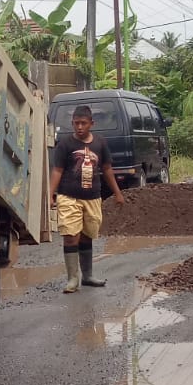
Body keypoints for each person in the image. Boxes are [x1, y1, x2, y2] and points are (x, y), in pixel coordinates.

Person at [51, 105, 127, 293]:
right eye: (76, 123)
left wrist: (118, 193)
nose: (79, 127)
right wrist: (50, 194)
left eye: (83, 123)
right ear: (72, 123)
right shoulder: (65, 144)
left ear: (91, 124)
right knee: (71, 236)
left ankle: (88, 276)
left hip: (92, 197)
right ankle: (72, 279)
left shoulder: (100, 143)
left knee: (87, 235)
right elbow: (57, 170)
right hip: (68, 196)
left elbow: (107, 169)